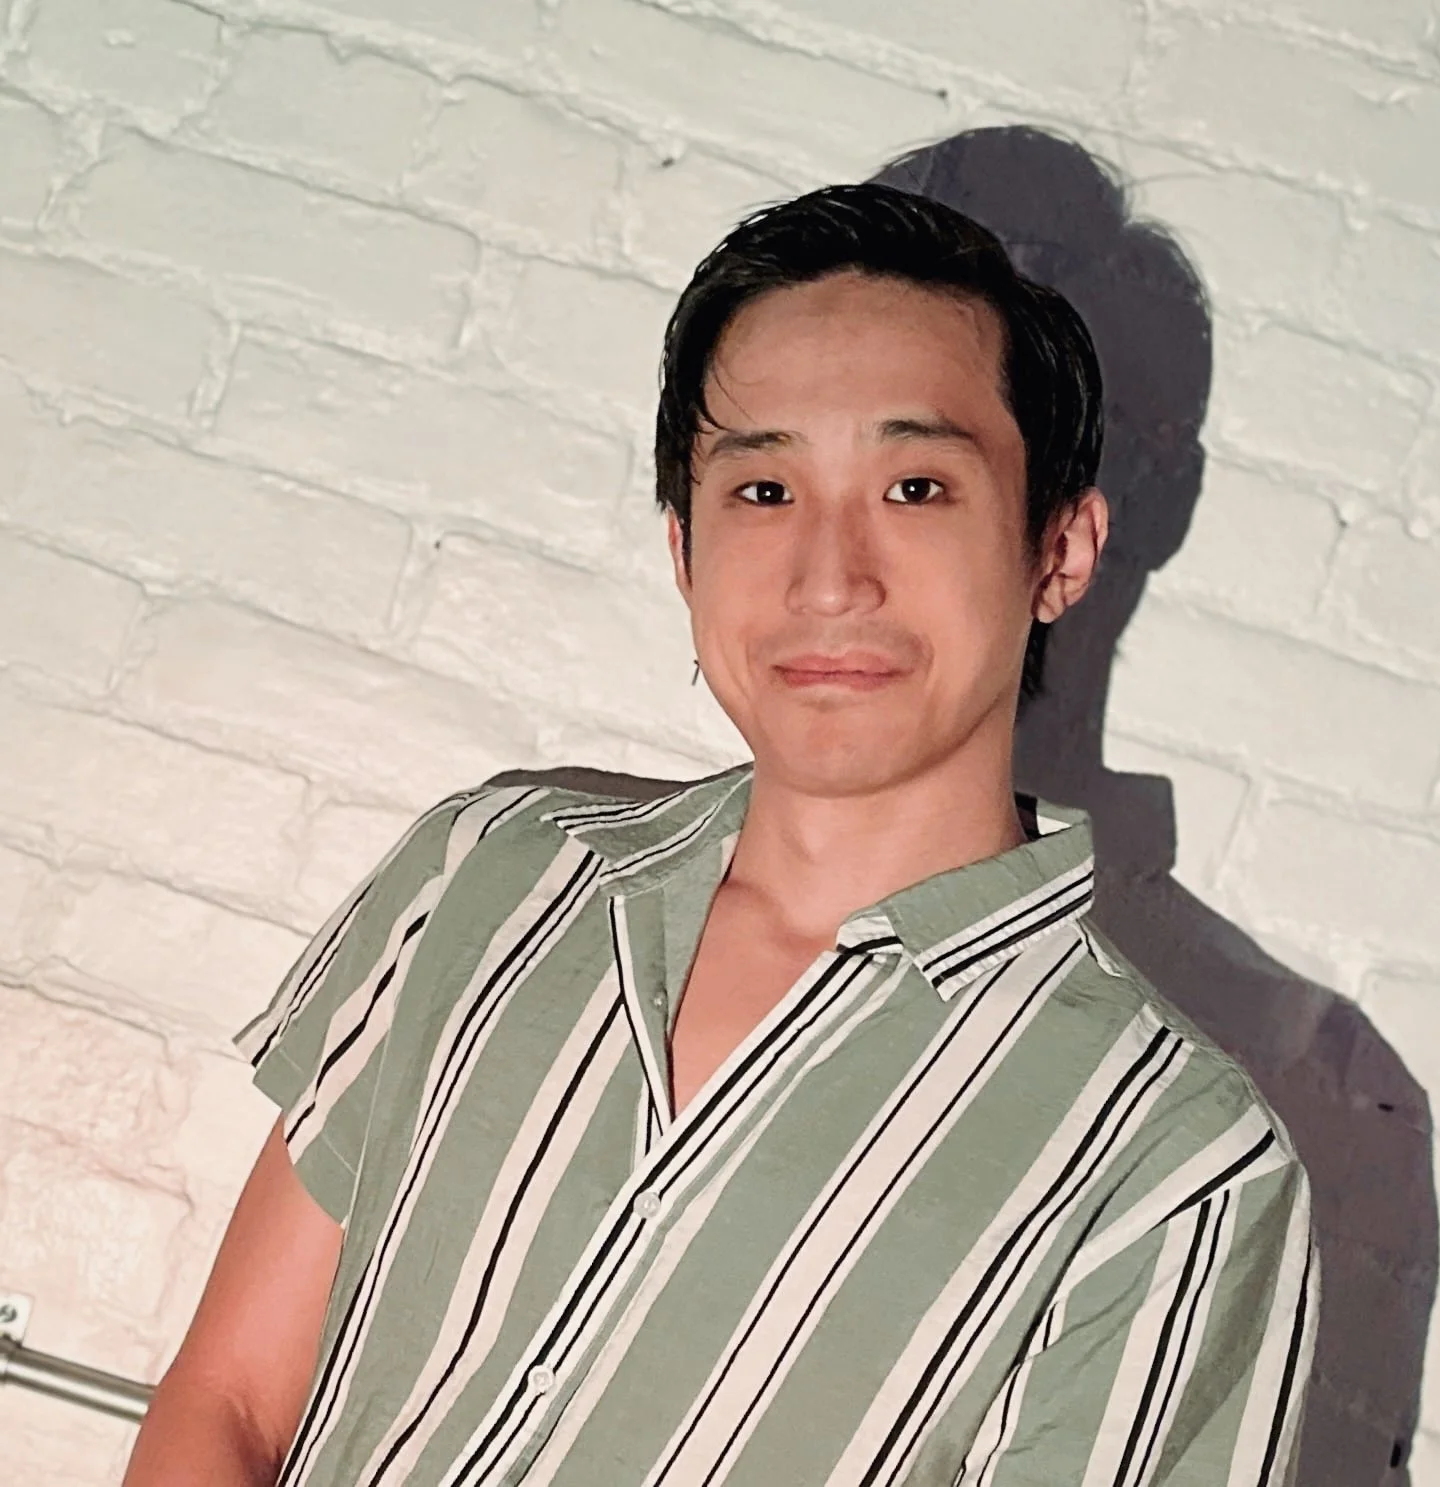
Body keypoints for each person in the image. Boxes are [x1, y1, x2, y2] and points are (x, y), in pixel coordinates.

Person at [124, 183, 1317, 1487]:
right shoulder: (490, 871)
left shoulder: (1173, 1163)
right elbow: (231, 1399)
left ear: (1059, 550)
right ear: (684, 547)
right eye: (764, 488)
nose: (828, 578)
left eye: (915, 486)